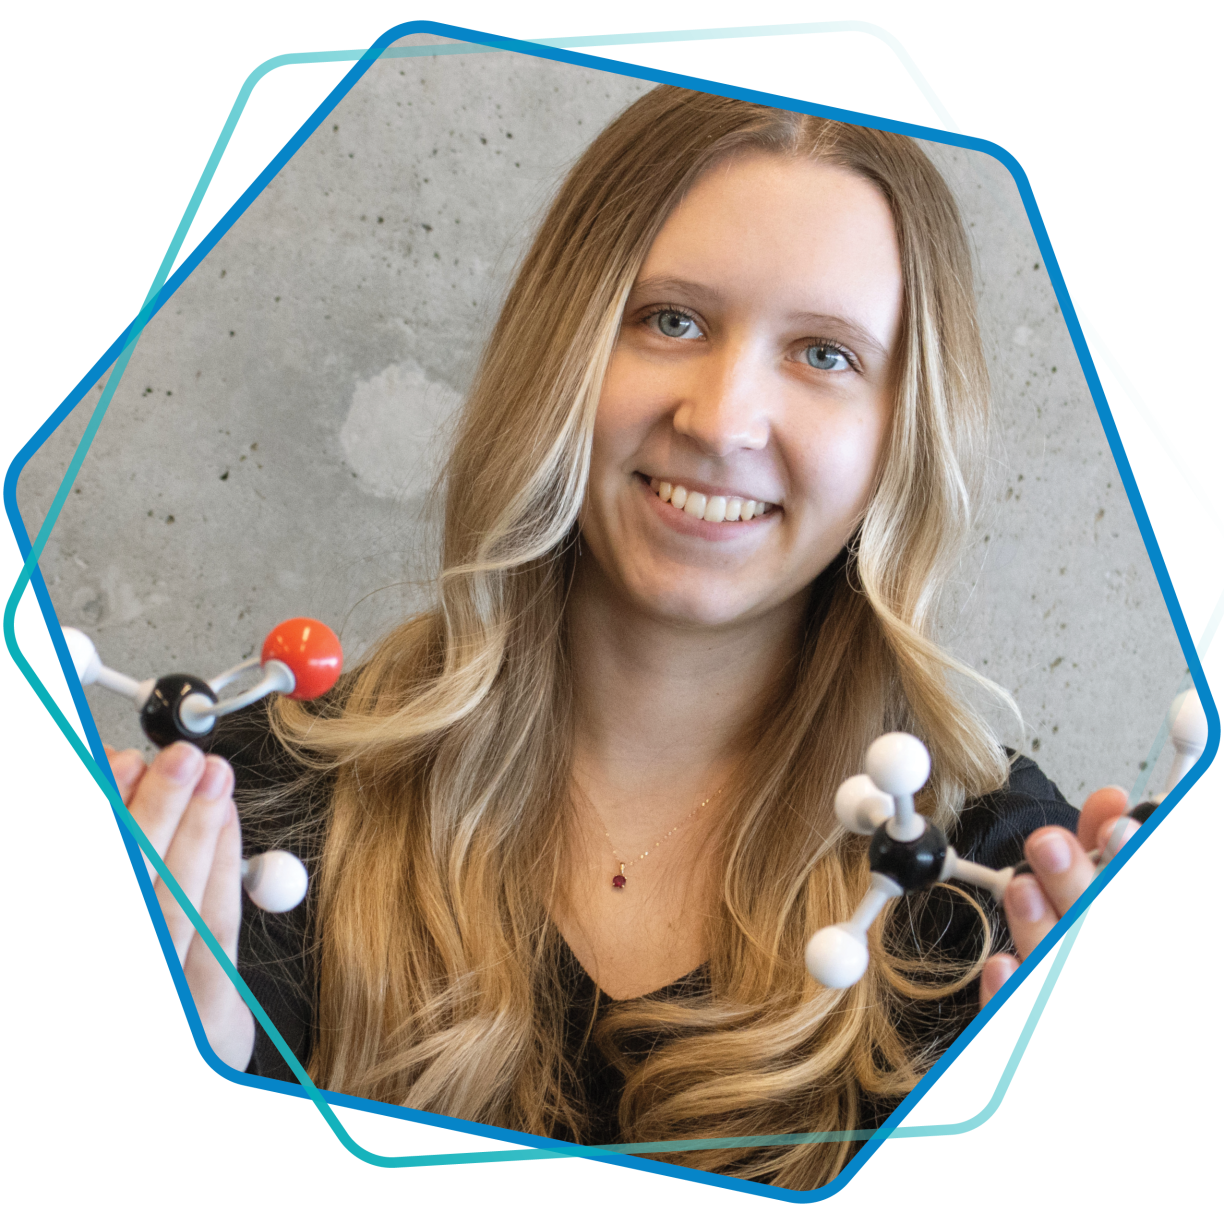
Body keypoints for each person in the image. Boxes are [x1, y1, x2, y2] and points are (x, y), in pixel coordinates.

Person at [103, 86, 1138, 1190]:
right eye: (671, 320)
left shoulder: (1001, 890)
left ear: (906, 432)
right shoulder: (255, 808)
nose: (721, 420)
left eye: (826, 355)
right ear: (565, 349)